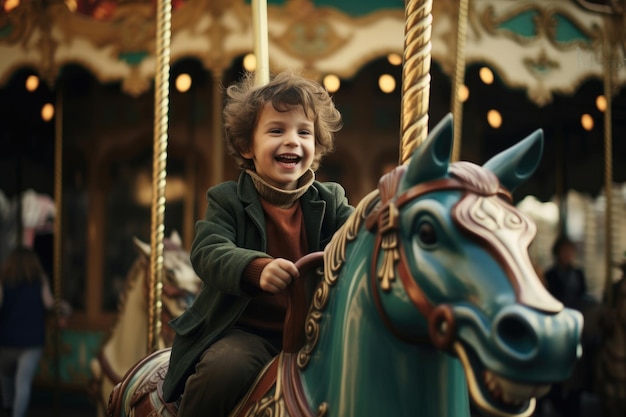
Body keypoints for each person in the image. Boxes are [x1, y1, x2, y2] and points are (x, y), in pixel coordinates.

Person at [161, 71, 354, 416]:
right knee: (225, 369)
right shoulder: (228, 200)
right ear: (247, 146)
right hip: (247, 334)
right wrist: (256, 268)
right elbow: (209, 251)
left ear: (317, 145)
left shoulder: (332, 201)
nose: (292, 141)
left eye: (304, 132)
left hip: (317, 335)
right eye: (277, 130)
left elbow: (359, 237)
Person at [0, 245, 69, 417]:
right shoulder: (39, 280)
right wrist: (63, 307)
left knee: (6, 378)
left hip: (7, 340)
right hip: (32, 341)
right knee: (23, 384)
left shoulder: (4, 280)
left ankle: (7, 405)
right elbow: (49, 303)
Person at [542, 235, 588, 417]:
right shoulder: (550, 275)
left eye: (570, 251)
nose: (568, 255)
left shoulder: (578, 274)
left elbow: (583, 296)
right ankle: (555, 397)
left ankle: (575, 400)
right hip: (557, 324)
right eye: (564, 251)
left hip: (576, 322)